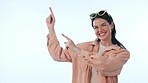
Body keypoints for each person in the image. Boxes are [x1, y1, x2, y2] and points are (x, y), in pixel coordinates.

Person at [46, 7, 130, 83]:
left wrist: (77, 51)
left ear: (111, 25)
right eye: (96, 27)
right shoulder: (83, 47)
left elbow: (105, 65)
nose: (100, 30)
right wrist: (51, 28)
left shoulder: (122, 54)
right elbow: (57, 55)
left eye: (103, 25)